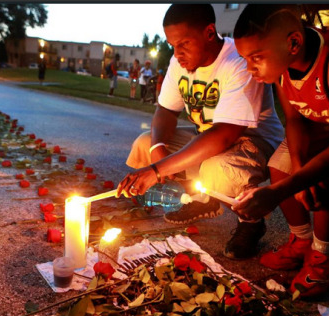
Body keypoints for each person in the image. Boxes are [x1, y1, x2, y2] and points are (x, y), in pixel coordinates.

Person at [232, 5, 329, 297]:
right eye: (244, 59)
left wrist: (280, 192)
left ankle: (323, 256)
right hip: (326, 114)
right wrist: (299, 170)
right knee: (281, 168)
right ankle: (302, 240)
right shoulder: (281, 68)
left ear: (293, 43)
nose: (249, 68)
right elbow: (294, 119)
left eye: (256, 58)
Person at [117, 4, 284, 259]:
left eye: (183, 43)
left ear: (209, 32)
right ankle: (200, 198)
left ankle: (251, 223)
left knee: (216, 169)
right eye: (172, 45)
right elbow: (166, 111)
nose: (177, 53)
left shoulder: (237, 60)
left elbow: (226, 134)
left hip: (252, 140)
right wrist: (157, 151)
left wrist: (158, 170)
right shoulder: (178, 62)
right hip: (209, 136)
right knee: (145, 143)